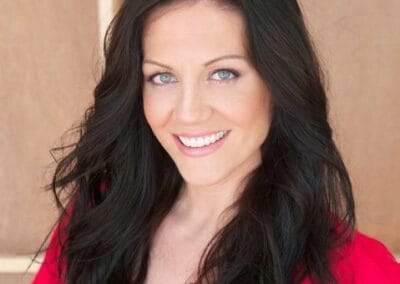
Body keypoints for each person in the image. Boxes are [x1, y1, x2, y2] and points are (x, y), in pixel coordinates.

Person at [32, 0, 400, 283]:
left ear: (278, 82)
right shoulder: (99, 219)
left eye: (223, 73)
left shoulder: (360, 269)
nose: (188, 112)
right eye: (162, 77)